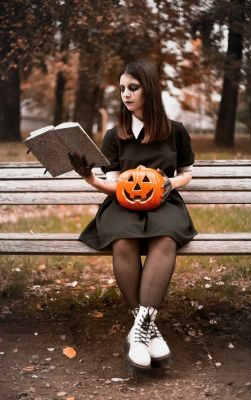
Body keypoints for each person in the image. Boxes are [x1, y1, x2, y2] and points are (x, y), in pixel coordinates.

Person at [68, 60, 197, 371]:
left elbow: (188, 173)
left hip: (164, 201)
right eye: (122, 88)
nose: (126, 94)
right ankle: (146, 331)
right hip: (123, 202)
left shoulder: (175, 132)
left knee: (165, 240)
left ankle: (138, 330)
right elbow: (113, 184)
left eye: (133, 88)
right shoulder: (115, 135)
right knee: (123, 241)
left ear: (148, 91)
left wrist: (170, 182)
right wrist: (90, 179)